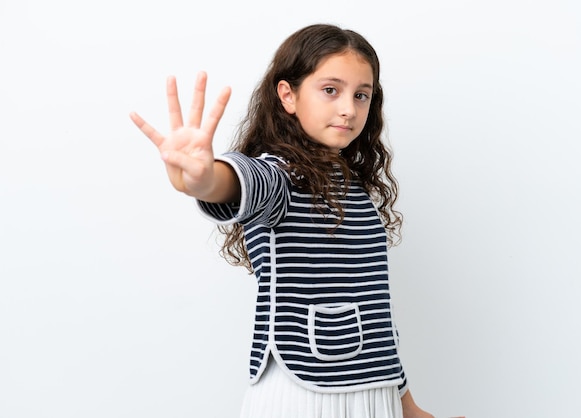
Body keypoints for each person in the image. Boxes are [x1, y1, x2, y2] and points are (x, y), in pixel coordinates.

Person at [130, 23, 435, 418]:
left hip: (373, 393)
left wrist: (407, 406)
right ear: (287, 95)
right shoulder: (280, 177)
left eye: (362, 95)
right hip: (304, 392)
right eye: (331, 90)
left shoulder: (355, 189)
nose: (349, 107)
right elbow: (242, 180)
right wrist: (202, 178)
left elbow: (376, 313)